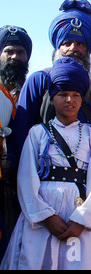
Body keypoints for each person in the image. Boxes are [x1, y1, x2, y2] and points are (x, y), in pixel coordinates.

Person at [0, 57, 91, 270]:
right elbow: (26, 179)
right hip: (41, 217)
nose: (70, 100)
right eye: (63, 94)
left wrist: (81, 220)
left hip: (77, 213)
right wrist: (46, 216)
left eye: (76, 95)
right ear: (51, 97)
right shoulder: (37, 133)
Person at [9, 0, 91, 172]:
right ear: (57, 47)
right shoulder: (39, 81)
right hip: (41, 181)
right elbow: (20, 137)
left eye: (80, 44)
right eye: (66, 43)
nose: (73, 48)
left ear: (88, 49)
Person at [0, 25, 33, 258]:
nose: (15, 57)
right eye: (9, 51)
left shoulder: (33, 92)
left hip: (22, 185)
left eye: (21, 52)